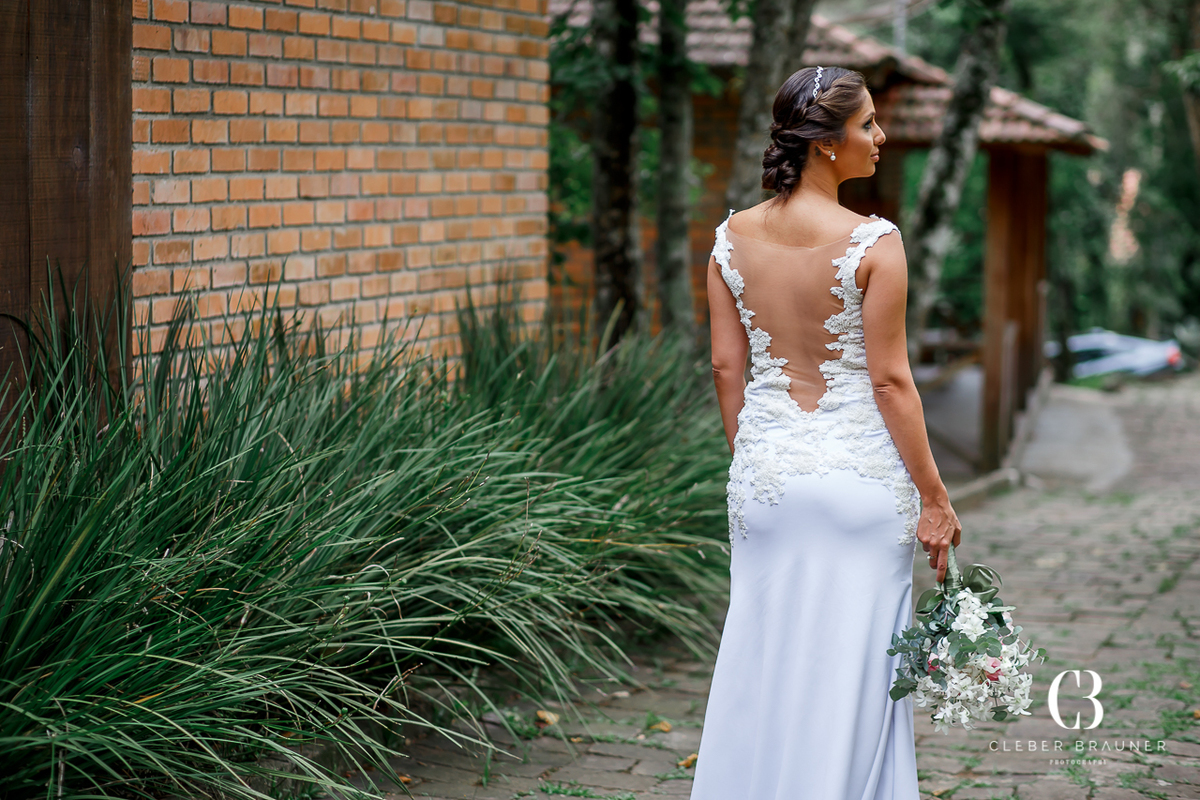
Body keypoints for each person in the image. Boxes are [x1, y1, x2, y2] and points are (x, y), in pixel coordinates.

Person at [690, 65, 962, 799]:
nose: (880, 137)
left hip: (768, 482)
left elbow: (725, 368)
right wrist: (935, 497)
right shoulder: (875, 243)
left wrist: (757, 459)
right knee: (856, 674)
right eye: (868, 124)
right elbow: (890, 381)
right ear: (825, 143)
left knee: (764, 659)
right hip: (861, 486)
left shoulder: (727, 240)